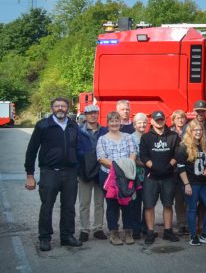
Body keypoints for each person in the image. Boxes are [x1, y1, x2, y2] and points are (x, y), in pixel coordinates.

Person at [25, 97, 83, 251]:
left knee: (69, 207)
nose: (60, 109)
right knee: (47, 206)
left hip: (70, 173)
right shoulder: (43, 125)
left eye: (63, 106)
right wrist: (29, 174)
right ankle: (45, 238)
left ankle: (67, 236)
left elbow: (78, 148)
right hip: (50, 172)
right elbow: (31, 151)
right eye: (57, 106)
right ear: (52, 108)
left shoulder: (73, 125)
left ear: (67, 108)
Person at [140, 110, 181, 245]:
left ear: (165, 120)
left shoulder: (174, 136)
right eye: (156, 119)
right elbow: (144, 156)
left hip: (168, 176)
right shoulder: (146, 137)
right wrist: (154, 167)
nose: (159, 121)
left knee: (168, 204)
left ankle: (168, 231)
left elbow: (177, 154)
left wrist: (168, 166)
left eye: (161, 119)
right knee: (149, 205)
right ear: (151, 121)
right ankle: (150, 232)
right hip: (151, 177)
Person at [97, 111, 138, 245]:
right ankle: (114, 233)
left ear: (120, 122)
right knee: (112, 205)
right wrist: (118, 167)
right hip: (109, 176)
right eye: (111, 121)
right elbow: (101, 158)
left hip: (126, 176)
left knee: (127, 204)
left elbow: (133, 153)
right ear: (107, 123)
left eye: (116, 120)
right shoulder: (102, 139)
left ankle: (128, 232)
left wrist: (125, 167)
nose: (114, 123)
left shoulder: (128, 137)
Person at [176, 119, 206, 246]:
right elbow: (181, 168)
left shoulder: (204, 145)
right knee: (192, 209)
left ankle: (204, 234)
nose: (198, 132)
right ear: (190, 131)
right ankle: (193, 236)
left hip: (203, 183)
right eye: (195, 130)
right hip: (191, 183)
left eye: (200, 130)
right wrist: (186, 184)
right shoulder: (183, 146)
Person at [76, 104, 108, 242]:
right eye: (90, 113)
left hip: (100, 170)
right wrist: (88, 158)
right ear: (85, 115)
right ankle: (84, 229)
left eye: (95, 113)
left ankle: (98, 228)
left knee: (99, 202)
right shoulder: (78, 131)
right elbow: (76, 150)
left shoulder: (105, 131)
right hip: (84, 171)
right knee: (84, 202)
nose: (93, 115)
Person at [169, 109, 189, 235]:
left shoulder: (189, 131)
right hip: (174, 169)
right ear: (173, 120)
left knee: (189, 197)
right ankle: (181, 223)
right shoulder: (169, 132)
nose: (180, 120)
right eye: (177, 118)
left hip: (188, 168)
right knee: (179, 198)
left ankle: (188, 222)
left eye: (182, 118)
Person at [130, 113, 149, 240]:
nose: (142, 125)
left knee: (148, 201)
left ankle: (145, 227)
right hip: (136, 174)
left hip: (148, 174)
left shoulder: (149, 137)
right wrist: (147, 164)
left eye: (144, 122)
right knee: (135, 202)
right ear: (134, 124)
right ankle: (135, 229)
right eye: (139, 122)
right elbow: (133, 157)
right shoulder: (130, 138)